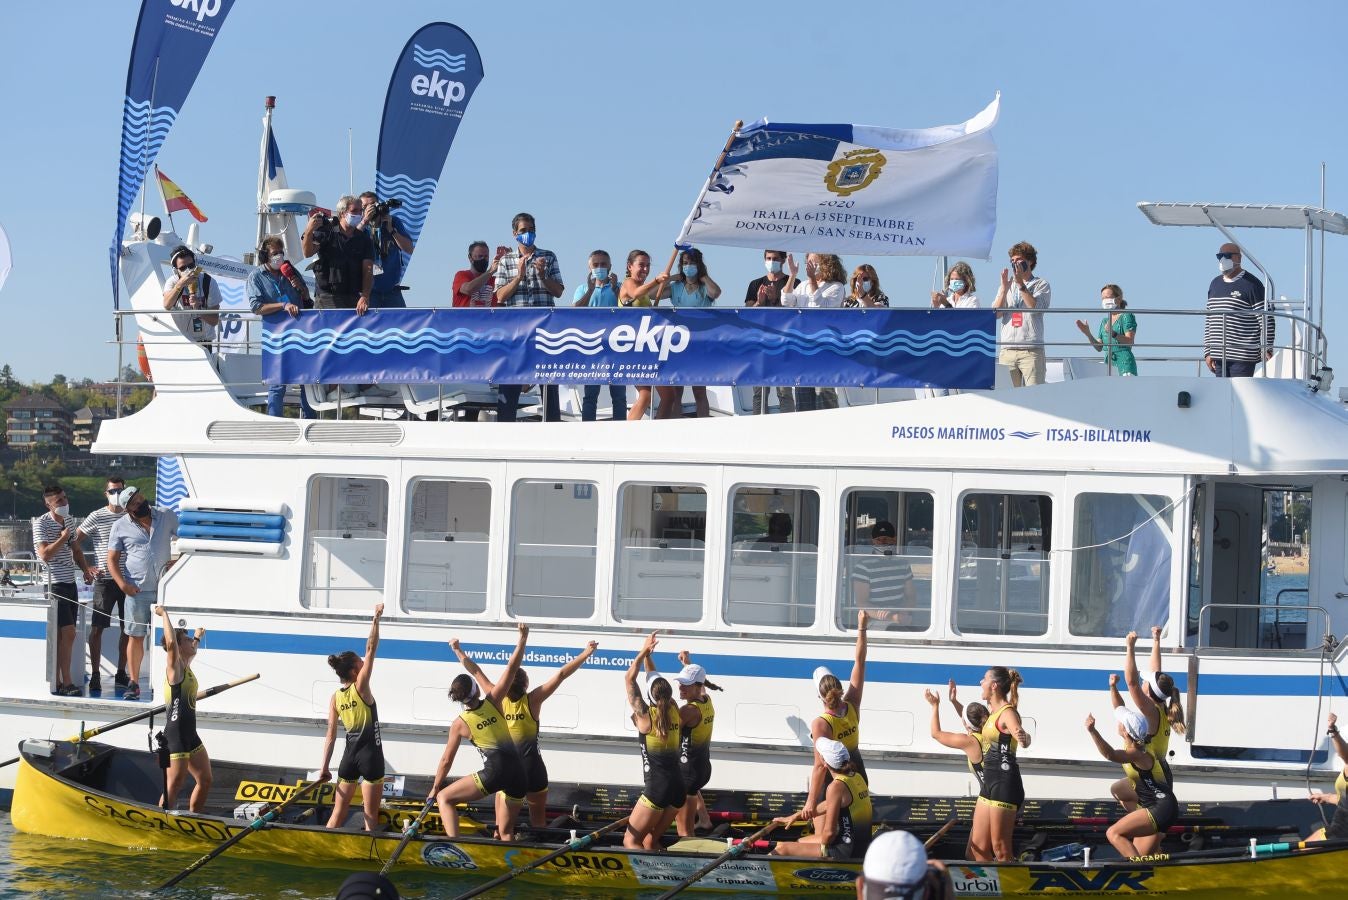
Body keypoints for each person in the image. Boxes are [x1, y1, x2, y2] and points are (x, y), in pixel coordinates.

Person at [454, 636, 599, 829]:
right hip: (534, 769)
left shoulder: (496, 700)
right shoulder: (533, 700)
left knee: (501, 827)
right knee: (539, 824)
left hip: (511, 770)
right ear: (525, 685)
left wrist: (457, 650)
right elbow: (561, 674)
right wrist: (586, 653)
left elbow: (476, 671)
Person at [431, 623, 529, 840]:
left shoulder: (459, 724)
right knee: (505, 832)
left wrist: (435, 788)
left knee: (444, 798)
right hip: (519, 774)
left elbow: (446, 760)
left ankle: (454, 848)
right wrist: (523, 638)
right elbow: (511, 668)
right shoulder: (494, 700)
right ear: (476, 690)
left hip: (495, 773)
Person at [1107, 627, 1185, 838]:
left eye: (1146, 682)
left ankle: (1149, 828)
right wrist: (1156, 640)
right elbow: (1156, 672)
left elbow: (1131, 682)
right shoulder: (1160, 704)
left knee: (1146, 842)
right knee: (1118, 790)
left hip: (1155, 779)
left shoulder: (1150, 710)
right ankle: (1142, 820)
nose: (1143, 683)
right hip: (1158, 773)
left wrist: (1130, 648)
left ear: (1149, 691)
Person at [107, 486, 179, 702]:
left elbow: (187, 539)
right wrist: (123, 586)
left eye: (139, 498)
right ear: (127, 509)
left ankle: (171, 681)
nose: (140, 503)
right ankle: (134, 682)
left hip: (166, 589)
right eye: (134, 503)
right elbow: (112, 560)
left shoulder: (166, 515)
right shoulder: (120, 526)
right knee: (136, 636)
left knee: (171, 637)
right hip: (136, 590)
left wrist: (178, 561)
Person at [319, 604, 385, 830]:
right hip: (371, 758)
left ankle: (326, 843)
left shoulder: (335, 697)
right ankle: (370, 847)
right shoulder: (361, 686)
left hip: (348, 759)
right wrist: (375, 618)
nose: (365, 662)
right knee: (370, 816)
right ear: (355, 671)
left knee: (338, 812)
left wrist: (324, 768)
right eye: (361, 662)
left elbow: (330, 735)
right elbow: (371, 647)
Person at [493, 213, 564, 422]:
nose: (528, 234)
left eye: (531, 230)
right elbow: (500, 296)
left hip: (544, 331)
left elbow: (559, 291)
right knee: (510, 384)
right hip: (516, 333)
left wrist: (543, 277)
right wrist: (519, 276)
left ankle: (552, 426)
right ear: (514, 234)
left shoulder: (548, 256)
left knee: (549, 385)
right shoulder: (506, 261)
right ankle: (505, 427)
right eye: (523, 230)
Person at [1085, 706, 1178, 858]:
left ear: (1126, 732)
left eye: (1121, 722)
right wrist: (1113, 690)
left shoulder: (1137, 754)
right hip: (1163, 803)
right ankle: (1151, 838)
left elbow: (1110, 754)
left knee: (1113, 833)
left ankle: (1137, 866)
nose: (1118, 722)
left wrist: (1092, 731)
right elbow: (1118, 705)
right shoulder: (1140, 743)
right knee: (1117, 789)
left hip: (1160, 809)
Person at [622, 631, 685, 849]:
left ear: (649, 696)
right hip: (678, 788)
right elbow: (654, 679)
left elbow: (629, 679)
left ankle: (640, 871)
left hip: (658, 789)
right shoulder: (674, 707)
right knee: (651, 841)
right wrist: (649, 654)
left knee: (631, 840)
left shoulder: (645, 716)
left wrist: (642, 653)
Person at [805, 611, 870, 820]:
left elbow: (819, 766)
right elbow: (860, 662)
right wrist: (861, 627)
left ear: (819, 696)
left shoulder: (821, 724)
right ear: (840, 689)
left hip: (834, 780)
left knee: (825, 832)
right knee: (855, 821)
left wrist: (810, 802)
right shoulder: (852, 703)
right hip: (857, 773)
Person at [33, 484, 94, 697]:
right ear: (48, 504)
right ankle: (65, 682)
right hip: (54, 584)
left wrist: (85, 570)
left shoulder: (68, 520)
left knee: (65, 635)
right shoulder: (41, 523)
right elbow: (44, 554)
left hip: (70, 583)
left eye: (65, 498)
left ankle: (59, 680)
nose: (64, 503)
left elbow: (76, 550)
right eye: (59, 500)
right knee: (67, 633)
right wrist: (63, 537)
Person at [246, 235, 315, 419]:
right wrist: (282, 306)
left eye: (281, 252)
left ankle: (310, 421)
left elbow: (307, 299)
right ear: (265, 256)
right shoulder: (256, 277)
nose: (279, 256)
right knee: (277, 384)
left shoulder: (289, 270)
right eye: (274, 253)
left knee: (307, 381)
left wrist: (301, 289)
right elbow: (256, 307)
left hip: (300, 333)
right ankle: (274, 424)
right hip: (276, 335)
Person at [770, 736, 871, 860]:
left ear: (824, 761)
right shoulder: (856, 777)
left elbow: (829, 834)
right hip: (861, 844)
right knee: (800, 841)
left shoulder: (835, 786)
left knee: (782, 849)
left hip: (845, 850)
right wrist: (796, 816)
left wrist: (819, 848)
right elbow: (829, 804)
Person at [153, 604, 211, 812]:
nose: (191, 643)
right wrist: (164, 614)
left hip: (190, 734)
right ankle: (161, 821)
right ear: (178, 646)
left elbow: (191, 651)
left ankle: (195, 818)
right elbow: (171, 643)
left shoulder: (186, 665)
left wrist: (196, 637)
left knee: (205, 779)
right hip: (175, 736)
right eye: (186, 640)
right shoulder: (175, 669)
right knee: (174, 784)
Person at [76, 475, 130, 694]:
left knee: (129, 629)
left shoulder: (131, 514)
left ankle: (121, 672)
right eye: (112, 491)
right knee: (97, 628)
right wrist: (86, 567)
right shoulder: (96, 516)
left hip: (129, 580)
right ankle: (96, 674)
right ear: (105, 494)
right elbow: (75, 541)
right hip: (104, 580)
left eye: (119, 491)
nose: (116, 495)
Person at [652, 247, 720, 418]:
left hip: (700, 342)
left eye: (692, 263)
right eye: (685, 263)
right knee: (677, 391)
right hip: (678, 342)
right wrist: (672, 278)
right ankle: (676, 425)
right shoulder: (676, 287)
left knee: (699, 390)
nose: (688, 266)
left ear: (699, 264)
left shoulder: (704, 287)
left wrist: (703, 276)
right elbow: (653, 295)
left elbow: (716, 292)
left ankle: (703, 426)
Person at [971, 666, 1030, 861]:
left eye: (984, 679)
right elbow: (967, 719)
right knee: (978, 848)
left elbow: (1021, 734)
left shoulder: (1007, 712)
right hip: (989, 783)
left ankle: (1015, 880)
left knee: (1001, 849)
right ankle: (988, 881)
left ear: (994, 686)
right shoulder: (992, 713)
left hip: (1005, 782)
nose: (981, 682)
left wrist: (1024, 739)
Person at [783, 252, 847, 410]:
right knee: (803, 399)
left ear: (826, 263)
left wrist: (812, 279)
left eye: (814, 262)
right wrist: (792, 275)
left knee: (824, 397)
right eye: (808, 262)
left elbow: (820, 307)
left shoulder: (836, 287)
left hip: (824, 350)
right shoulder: (803, 285)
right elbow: (786, 301)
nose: (809, 266)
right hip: (802, 348)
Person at [573, 250, 627, 421]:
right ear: (589, 267)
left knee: (619, 397)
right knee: (590, 395)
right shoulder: (582, 289)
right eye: (596, 264)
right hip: (592, 348)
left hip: (616, 347)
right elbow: (573, 312)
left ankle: (620, 431)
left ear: (610, 266)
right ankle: (588, 431)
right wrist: (590, 291)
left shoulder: (620, 288)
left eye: (603, 264)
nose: (600, 267)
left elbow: (628, 312)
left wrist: (616, 289)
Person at [1205, 242, 1273, 377]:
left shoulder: (1252, 284)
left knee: (1239, 391)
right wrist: (1208, 352)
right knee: (1221, 390)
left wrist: (1267, 346)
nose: (1223, 259)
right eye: (1220, 256)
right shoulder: (1215, 284)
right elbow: (1209, 320)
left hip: (1243, 358)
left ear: (1239, 258)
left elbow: (1266, 319)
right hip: (1219, 357)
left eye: (1227, 256)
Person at [673, 651, 722, 837]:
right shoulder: (706, 699)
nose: (680, 687)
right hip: (702, 769)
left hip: (688, 773)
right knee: (692, 789)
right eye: (680, 682)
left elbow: (665, 734)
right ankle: (704, 818)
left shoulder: (688, 710)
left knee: (684, 832)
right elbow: (700, 685)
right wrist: (688, 664)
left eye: (686, 684)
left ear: (697, 685)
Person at [992, 241, 1051, 387]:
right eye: (1012, 261)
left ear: (1030, 261)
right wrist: (1004, 290)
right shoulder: (1007, 285)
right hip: (1007, 350)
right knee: (1008, 396)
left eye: (1019, 260)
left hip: (1031, 350)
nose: (1015, 264)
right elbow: (995, 314)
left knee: (1035, 394)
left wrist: (1020, 284)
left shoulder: (1041, 284)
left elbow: (1035, 307)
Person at [302, 196, 374, 314]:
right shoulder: (327, 233)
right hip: (327, 297)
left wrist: (365, 296)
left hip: (354, 297)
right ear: (342, 213)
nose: (358, 214)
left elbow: (368, 269)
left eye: (360, 211)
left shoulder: (364, 239)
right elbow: (307, 253)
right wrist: (309, 231)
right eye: (354, 211)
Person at [619, 249, 668, 420]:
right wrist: (656, 281)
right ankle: (627, 433)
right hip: (633, 349)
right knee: (645, 395)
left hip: (648, 347)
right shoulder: (628, 283)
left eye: (648, 266)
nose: (645, 269)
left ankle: (658, 432)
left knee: (669, 396)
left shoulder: (644, 290)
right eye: (641, 265)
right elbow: (635, 293)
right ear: (630, 266)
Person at [746, 262, 795, 415]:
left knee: (784, 393)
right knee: (759, 394)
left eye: (775, 258)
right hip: (760, 345)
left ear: (782, 260)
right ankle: (757, 426)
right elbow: (747, 314)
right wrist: (759, 303)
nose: (771, 262)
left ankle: (788, 426)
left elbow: (793, 314)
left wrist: (775, 300)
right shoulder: (755, 284)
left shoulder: (793, 283)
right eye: (768, 258)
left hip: (783, 345)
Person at [850, 521, 916, 627]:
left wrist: (903, 612)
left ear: (894, 539)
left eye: (886, 538)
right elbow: (862, 603)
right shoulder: (863, 566)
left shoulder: (903, 563)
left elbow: (911, 597)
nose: (883, 542)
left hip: (900, 618)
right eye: (878, 539)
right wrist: (892, 617)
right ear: (873, 541)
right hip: (873, 622)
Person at [856, 829, 955, 900]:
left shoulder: (861, 887)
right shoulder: (939, 889)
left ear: (860, 887)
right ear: (927, 893)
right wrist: (945, 890)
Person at [358, 191, 414, 309]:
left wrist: (391, 230)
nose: (370, 209)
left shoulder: (393, 221)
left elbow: (409, 249)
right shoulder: (360, 225)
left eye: (373, 204)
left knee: (400, 321)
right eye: (365, 206)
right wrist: (365, 221)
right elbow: (351, 242)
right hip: (368, 291)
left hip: (392, 290)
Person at [162, 245, 220, 345]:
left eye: (191, 266)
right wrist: (180, 284)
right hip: (181, 342)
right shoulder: (172, 282)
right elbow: (167, 305)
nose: (188, 270)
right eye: (183, 268)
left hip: (204, 341)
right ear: (176, 270)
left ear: (195, 264)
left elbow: (214, 320)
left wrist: (199, 310)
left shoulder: (208, 281)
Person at [1076, 284, 1137, 376]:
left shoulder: (1126, 316)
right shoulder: (1105, 321)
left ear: (1119, 299)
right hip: (1108, 362)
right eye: (1103, 298)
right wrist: (1088, 333)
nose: (1105, 300)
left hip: (1124, 362)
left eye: (1108, 297)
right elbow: (1099, 347)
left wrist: (1113, 333)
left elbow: (1130, 341)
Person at [1307, 713, 1348, 842]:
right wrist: (1327, 797)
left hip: (1340, 837)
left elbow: (1346, 755)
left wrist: (1333, 731)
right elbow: (1345, 801)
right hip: (1336, 830)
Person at [452, 241, 499, 308]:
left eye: (486, 256)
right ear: (470, 258)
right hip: (465, 315)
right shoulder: (461, 275)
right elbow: (468, 290)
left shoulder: (494, 280)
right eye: (480, 256)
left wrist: (507, 261)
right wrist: (491, 271)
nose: (483, 259)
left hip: (488, 315)